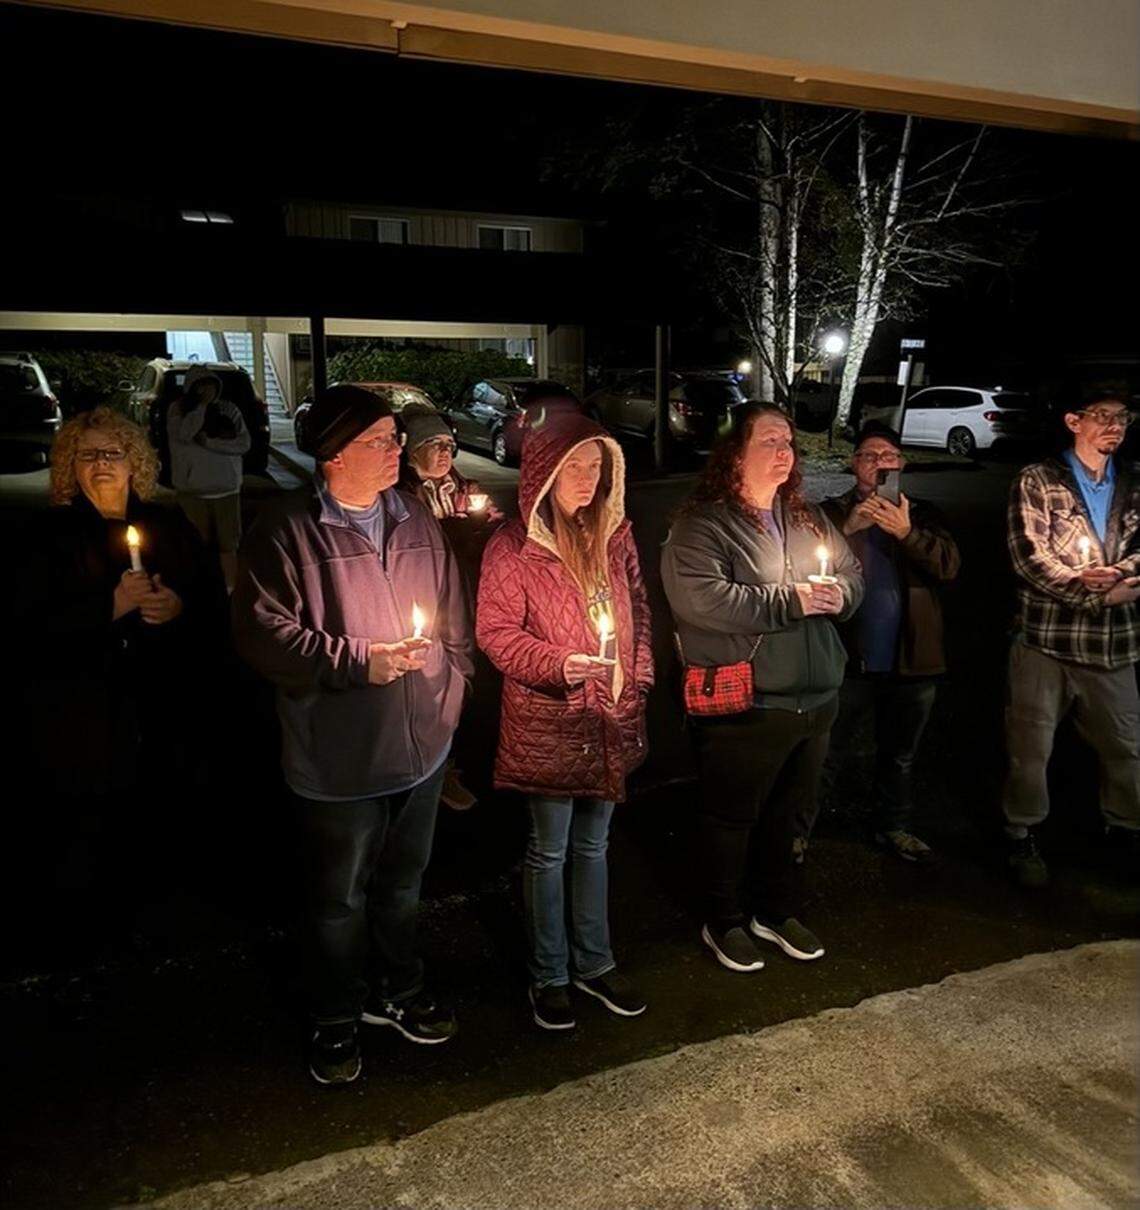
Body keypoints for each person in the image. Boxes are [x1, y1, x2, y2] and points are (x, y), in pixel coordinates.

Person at [233, 384, 473, 1086]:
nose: (400, 449)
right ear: (334, 456)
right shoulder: (285, 531)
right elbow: (262, 634)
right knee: (338, 900)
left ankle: (398, 991)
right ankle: (336, 1017)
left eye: (397, 438)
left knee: (403, 888)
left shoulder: (416, 519)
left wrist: (448, 697)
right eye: (382, 440)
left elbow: (453, 614)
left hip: (421, 750)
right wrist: (355, 662)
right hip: (336, 759)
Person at [661, 402, 863, 975]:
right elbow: (703, 599)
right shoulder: (703, 525)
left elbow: (851, 576)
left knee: (794, 815)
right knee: (732, 817)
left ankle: (776, 910)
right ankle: (722, 918)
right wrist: (793, 601)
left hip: (817, 697)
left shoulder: (807, 518)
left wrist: (839, 596)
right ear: (735, 453)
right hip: (749, 702)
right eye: (771, 441)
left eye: (789, 443)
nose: (785, 453)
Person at [13, 407, 225, 949]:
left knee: (159, 819)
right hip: (82, 716)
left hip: (160, 707)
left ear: (135, 464)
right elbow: (26, 626)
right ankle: (82, 943)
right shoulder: (46, 536)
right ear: (70, 468)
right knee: (84, 833)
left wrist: (177, 607)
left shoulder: (170, 526)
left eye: (113, 453)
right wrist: (108, 608)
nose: (102, 463)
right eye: (88, 454)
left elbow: (210, 602)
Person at [477, 411, 653, 1031]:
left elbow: (639, 612)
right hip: (549, 717)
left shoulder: (615, 533)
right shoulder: (513, 545)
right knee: (549, 850)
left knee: (595, 844)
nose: (585, 477)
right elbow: (495, 633)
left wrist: (638, 677)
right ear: (544, 472)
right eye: (573, 465)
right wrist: (561, 664)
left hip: (608, 713)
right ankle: (549, 974)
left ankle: (595, 964)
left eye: (596, 465)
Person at [1002, 386, 1140, 887]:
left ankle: (1124, 830)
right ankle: (1022, 833)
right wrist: (1096, 594)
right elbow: (1028, 557)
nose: (1115, 425)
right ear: (1073, 421)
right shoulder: (1038, 480)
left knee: (1127, 746)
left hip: (1113, 645)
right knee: (1030, 747)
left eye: (1122, 416)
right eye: (1102, 415)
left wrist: (1120, 571)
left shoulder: (1133, 481)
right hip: (1046, 641)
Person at [819, 424, 960, 863]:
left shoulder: (925, 513)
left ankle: (892, 826)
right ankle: (800, 830)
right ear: (854, 465)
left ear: (901, 464)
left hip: (912, 659)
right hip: (845, 657)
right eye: (869, 455)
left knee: (898, 754)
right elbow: (806, 565)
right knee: (824, 750)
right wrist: (848, 528)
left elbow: (947, 567)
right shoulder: (828, 512)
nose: (880, 463)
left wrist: (906, 532)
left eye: (889, 455)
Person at [398, 403, 502, 812]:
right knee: (423, 689)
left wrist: (482, 527)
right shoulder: (401, 494)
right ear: (411, 451)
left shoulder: (464, 487)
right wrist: (448, 535)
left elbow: (495, 523)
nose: (444, 453)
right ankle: (425, 770)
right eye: (434, 444)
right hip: (424, 605)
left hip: (467, 597)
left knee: (462, 683)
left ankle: (449, 765)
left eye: (448, 445)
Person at [167, 365, 251, 591]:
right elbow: (184, 434)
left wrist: (211, 443)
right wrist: (201, 407)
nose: (207, 390)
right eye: (201, 386)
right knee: (195, 544)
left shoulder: (228, 409)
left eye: (211, 385)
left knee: (229, 544)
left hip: (227, 490)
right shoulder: (178, 411)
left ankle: (230, 590)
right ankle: (198, 589)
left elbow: (243, 443)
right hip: (192, 492)